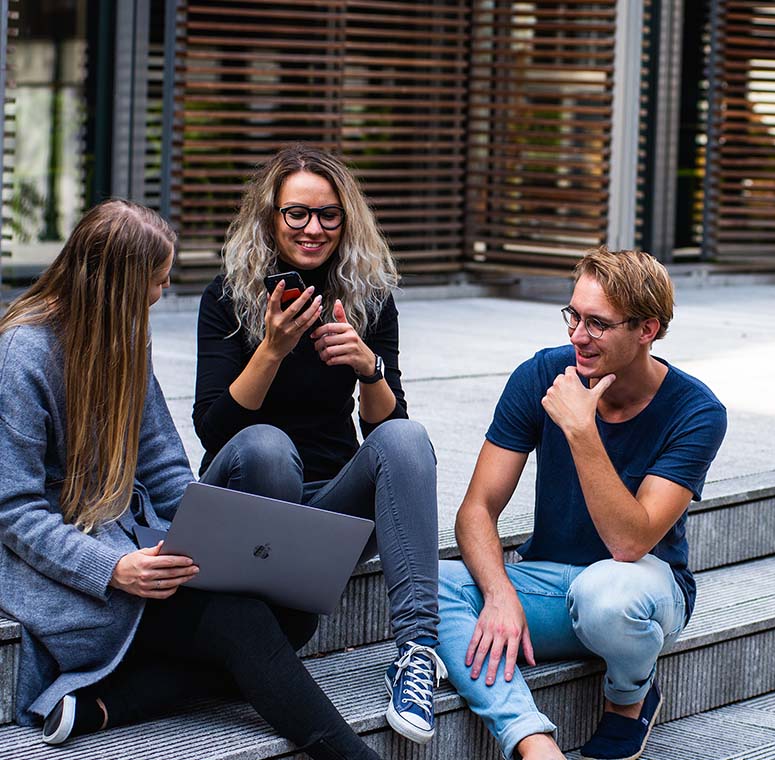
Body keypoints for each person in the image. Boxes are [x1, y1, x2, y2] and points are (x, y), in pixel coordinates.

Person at [0, 199, 380, 759]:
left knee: (293, 610)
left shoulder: (126, 336)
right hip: (69, 567)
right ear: (116, 283)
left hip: (139, 545)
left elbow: (164, 467)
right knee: (242, 622)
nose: (163, 291)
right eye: (157, 280)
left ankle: (111, 704)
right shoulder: (23, 354)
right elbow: (15, 511)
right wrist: (114, 569)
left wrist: (217, 535)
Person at [193, 144, 443, 744]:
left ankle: (416, 655)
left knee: (408, 439)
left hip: (328, 511)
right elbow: (214, 429)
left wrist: (369, 368)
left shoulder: (368, 296)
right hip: (249, 498)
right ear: (270, 218)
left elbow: (388, 433)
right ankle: (260, 635)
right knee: (268, 447)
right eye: (296, 214)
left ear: (346, 218)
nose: (313, 229)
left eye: (328, 215)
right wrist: (272, 349)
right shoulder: (227, 297)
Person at [436, 247, 728, 760]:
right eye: (573, 315)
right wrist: (500, 594)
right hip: (548, 581)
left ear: (647, 329)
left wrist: (580, 429)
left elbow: (630, 541)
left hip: (641, 590)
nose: (576, 336)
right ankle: (531, 739)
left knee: (606, 594)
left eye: (597, 323)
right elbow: (476, 509)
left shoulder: (696, 411)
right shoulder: (543, 374)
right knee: (429, 584)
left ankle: (628, 699)